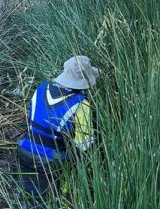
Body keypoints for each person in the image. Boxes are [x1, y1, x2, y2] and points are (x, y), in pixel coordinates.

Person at [15, 55, 99, 193]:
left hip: (23, 149)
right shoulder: (82, 104)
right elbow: (84, 147)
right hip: (51, 162)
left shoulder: (41, 88)